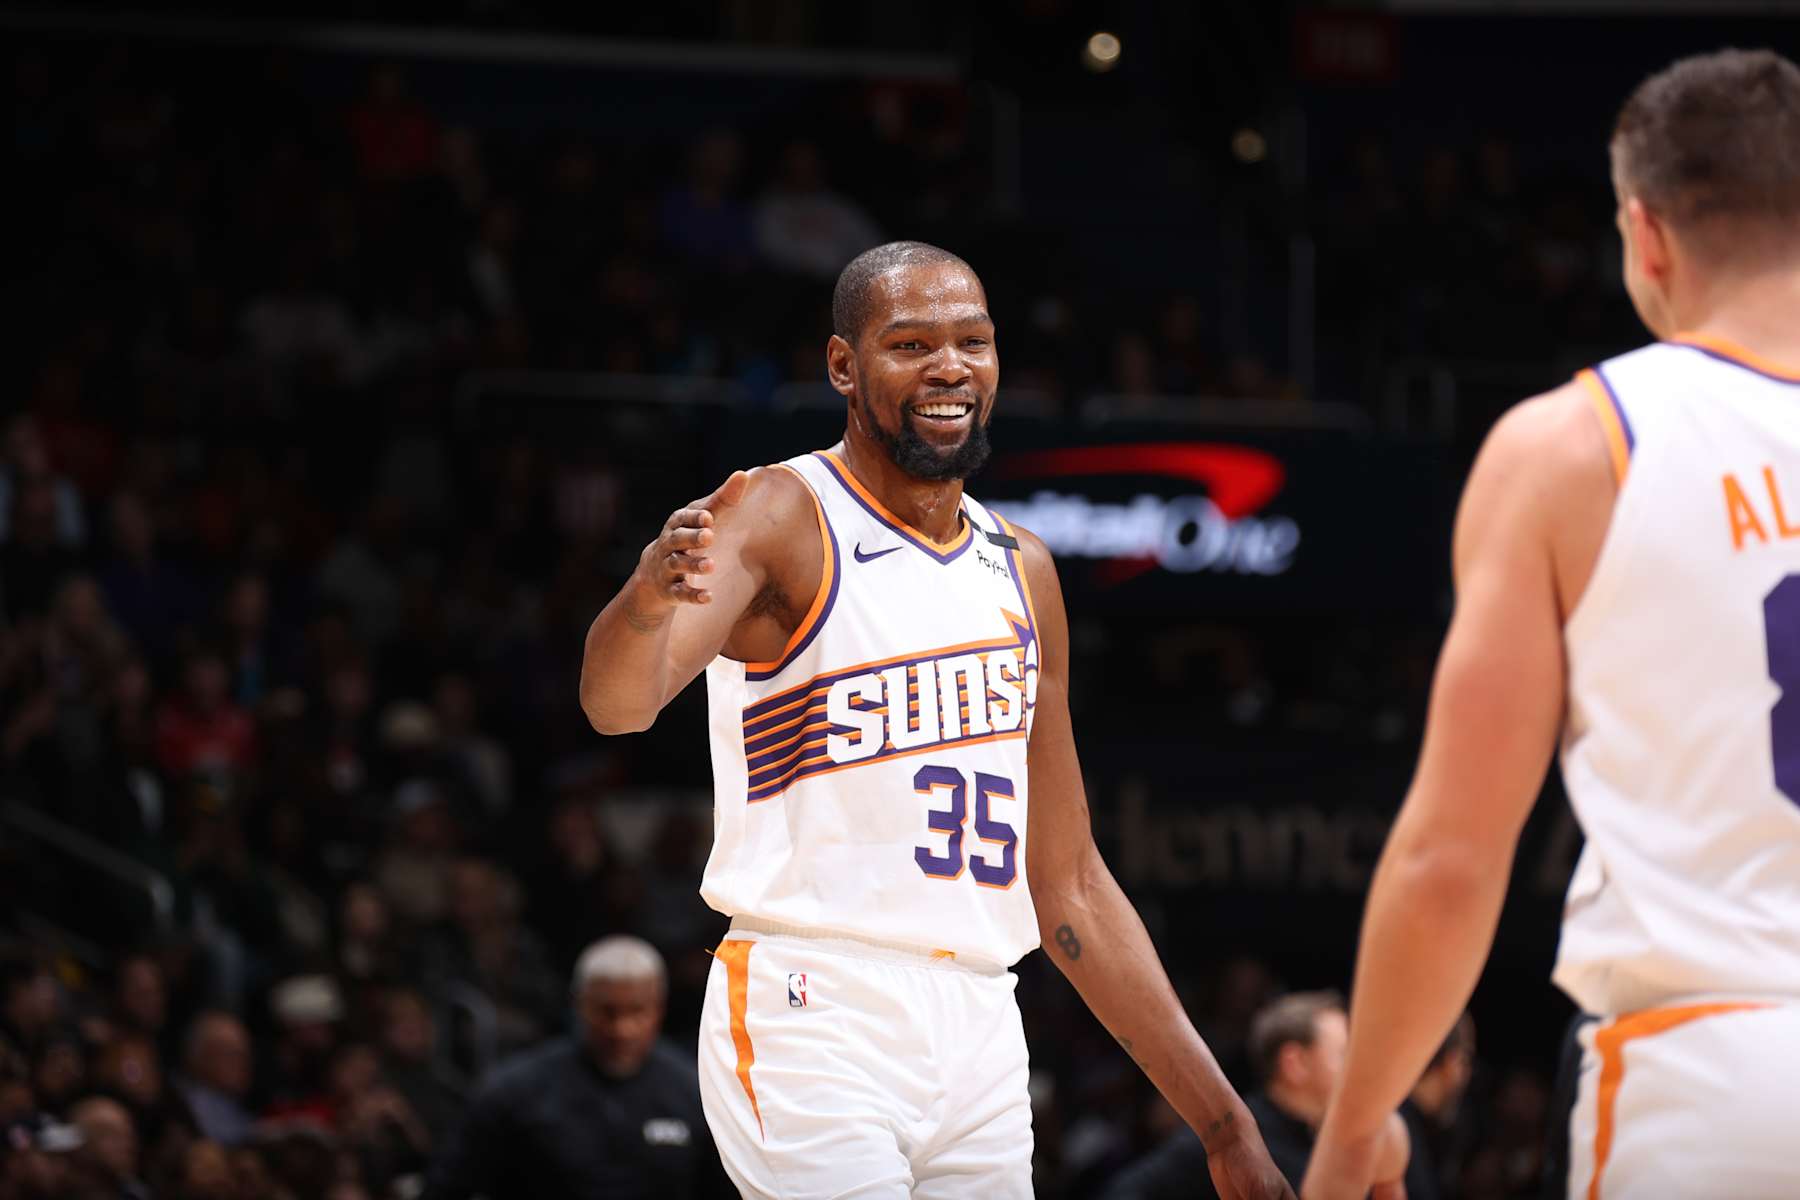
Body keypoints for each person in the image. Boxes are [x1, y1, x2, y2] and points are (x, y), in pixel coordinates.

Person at [580, 240, 1291, 1199]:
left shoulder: (1023, 569)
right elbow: (617, 707)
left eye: (973, 342)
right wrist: (644, 599)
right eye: (910, 344)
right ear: (844, 366)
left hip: (982, 1023)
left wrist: (1225, 1125)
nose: (949, 367)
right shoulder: (783, 511)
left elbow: (1072, 884)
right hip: (814, 1002)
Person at [1304, 49, 1800, 1200]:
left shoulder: (1575, 447)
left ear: (1646, 234)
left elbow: (1450, 859)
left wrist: (1355, 1124)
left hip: (1711, 1076)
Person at [426, 936, 729, 1200]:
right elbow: (448, 1187)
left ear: (659, 1008)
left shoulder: (693, 1092)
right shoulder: (514, 1092)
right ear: (579, 1004)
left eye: (637, 1010)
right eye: (606, 1011)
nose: (622, 1028)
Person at [1104, 992, 1347, 1199]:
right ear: (1295, 1063)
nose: (1357, 1069)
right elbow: (1124, 1192)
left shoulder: (1330, 1137)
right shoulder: (1233, 1133)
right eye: (1343, 1054)